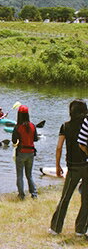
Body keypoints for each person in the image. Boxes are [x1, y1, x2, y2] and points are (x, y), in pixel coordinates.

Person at [49, 99, 88, 236]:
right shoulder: (87, 125)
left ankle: (55, 228)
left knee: (65, 198)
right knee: (86, 200)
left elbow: (59, 147)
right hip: (87, 165)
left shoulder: (65, 126)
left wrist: (57, 165)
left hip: (73, 167)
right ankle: (80, 230)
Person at [11, 105, 38, 200]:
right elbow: (35, 139)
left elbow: (14, 141)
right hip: (31, 152)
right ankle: (34, 194)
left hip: (21, 152)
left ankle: (21, 195)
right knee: (29, 175)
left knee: (20, 175)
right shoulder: (33, 126)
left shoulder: (18, 127)